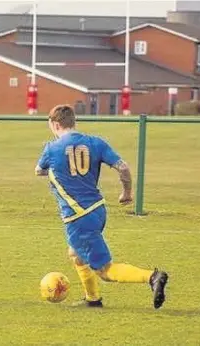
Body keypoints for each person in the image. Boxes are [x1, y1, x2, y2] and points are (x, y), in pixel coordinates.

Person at [35, 104, 168, 309]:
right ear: (74, 122)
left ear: (55, 124)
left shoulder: (52, 149)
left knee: (105, 271)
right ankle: (93, 299)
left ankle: (152, 276)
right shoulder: (96, 142)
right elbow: (122, 167)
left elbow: (39, 171)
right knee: (75, 254)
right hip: (98, 209)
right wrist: (127, 192)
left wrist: (60, 171)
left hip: (77, 216)